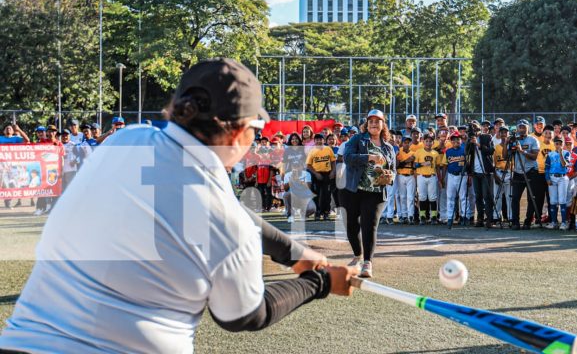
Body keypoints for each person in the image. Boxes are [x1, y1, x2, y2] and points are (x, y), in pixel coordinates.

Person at [0, 58, 356, 353]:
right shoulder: (227, 223)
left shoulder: (126, 141)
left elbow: (205, 206)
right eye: (256, 128)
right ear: (238, 132)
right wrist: (320, 282)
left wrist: (292, 251)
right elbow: (244, 315)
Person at [342, 109, 397, 278]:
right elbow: (347, 157)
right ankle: (357, 255)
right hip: (353, 189)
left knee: (369, 225)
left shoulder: (389, 148)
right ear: (367, 124)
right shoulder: (358, 139)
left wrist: (389, 177)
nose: (374, 123)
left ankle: (367, 262)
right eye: (371, 121)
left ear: (383, 124)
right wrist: (369, 157)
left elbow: (393, 170)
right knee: (351, 226)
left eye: (377, 121)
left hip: (376, 193)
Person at [502, 120, 540, 230]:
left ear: (528, 128)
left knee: (531, 198)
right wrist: (506, 143)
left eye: (524, 127)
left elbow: (534, 156)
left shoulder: (533, 140)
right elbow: (505, 157)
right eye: (520, 127)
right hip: (518, 172)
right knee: (515, 198)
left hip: (531, 171)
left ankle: (528, 222)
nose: (522, 129)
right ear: (517, 129)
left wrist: (522, 151)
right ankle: (515, 222)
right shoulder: (514, 140)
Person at [468, 122, 496, 228]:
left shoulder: (487, 137)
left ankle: (489, 218)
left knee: (487, 196)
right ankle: (479, 219)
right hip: (475, 173)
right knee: (478, 196)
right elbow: (467, 153)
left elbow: (490, 151)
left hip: (486, 172)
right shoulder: (470, 139)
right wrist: (470, 142)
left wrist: (478, 144)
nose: (474, 130)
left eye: (476, 128)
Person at [305, 133, 336, 220]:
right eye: (317, 140)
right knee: (317, 194)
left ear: (324, 140)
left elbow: (333, 161)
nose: (319, 141)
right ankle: (317, 212)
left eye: (320, 139)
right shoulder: (312, 151)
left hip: (327, 174)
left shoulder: (328, 149)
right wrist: (316, 174)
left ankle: (326, 212)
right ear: (314, 141)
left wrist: (333, 171)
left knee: (327, 194)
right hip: (316, 175)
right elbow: (308, 165)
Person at [544, 136, 570, 230]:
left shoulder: (566, 153)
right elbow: (546, 168)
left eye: (560, 143)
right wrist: (547, 178)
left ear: (563, 144)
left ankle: (563, 222)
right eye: (556, 143)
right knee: (553, 200)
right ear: (554, 144)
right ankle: (554, 222)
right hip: (552, 177)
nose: (558, 145)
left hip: (562, 177)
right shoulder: (550, 154)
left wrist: (560, 153)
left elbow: (564, 165)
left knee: (562, 200)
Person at [442, 132, 466, 229]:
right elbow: (444, 165)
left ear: (461, 140)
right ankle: (450, 218)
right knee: (450, 197)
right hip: (451, 176)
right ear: (451, 141)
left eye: (458, 139)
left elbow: (468, 163)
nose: (456, 141)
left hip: (462, 175)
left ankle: (464, 217)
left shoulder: (464, 150)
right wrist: (443, 178)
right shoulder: (448, 151)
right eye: (454, 139)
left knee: (463, 197)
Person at [414, 134, 439, 225]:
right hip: (421, 176)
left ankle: (433, 217)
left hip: (432, 176)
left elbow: (438, 166)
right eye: (426, 141)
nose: (428, 143)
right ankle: (423, 217)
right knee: (422, 197)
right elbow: (414, 165)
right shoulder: (419, 151)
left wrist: (440, 179)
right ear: (423, 142)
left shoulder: (435, 153)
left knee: (433, 197)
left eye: (430, 141)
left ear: (433, 142)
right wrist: (423, 164)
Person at [493, 126, 513, 224]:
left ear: (508, 134)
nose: (504, 134)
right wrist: (495, 176)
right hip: (499, 171)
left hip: (509, 172)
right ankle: (496, 216)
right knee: (497, 196)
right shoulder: (496, 147)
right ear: (499, 134)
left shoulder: (512, 146)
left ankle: (510, 216)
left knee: (510, 196)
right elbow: (493, 164)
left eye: (505, 132)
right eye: (502, 132)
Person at [396, 136, 416, 224]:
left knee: (410, 197)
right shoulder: (398, 152)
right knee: (402, 196)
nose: (407, 144)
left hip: (410, 176)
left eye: (408, 142)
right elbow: (397, 166)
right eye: (405, 142)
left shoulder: (413, 153)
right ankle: (404, 215)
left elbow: (414, 166)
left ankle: (410, 215)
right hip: (401, 175)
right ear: (402, 143)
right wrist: (407, 160)